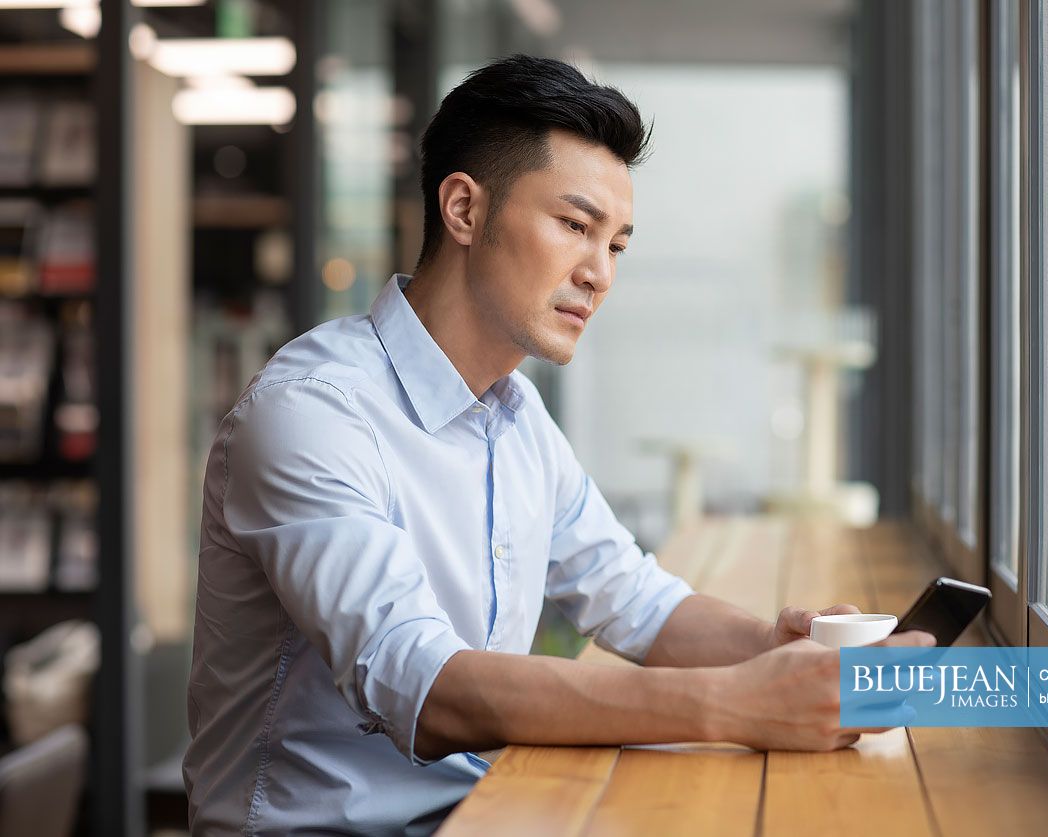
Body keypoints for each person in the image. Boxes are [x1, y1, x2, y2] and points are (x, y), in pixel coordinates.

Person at [182, 53, 934, 835]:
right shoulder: (311, 413)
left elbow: (632, 599)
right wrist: (736, 702)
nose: (599, 273)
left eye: (616, 245)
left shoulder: (515, 415)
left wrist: (777, 646)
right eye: (575, 226)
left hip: (477, 812)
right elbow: (423, 688)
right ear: (464, 210)